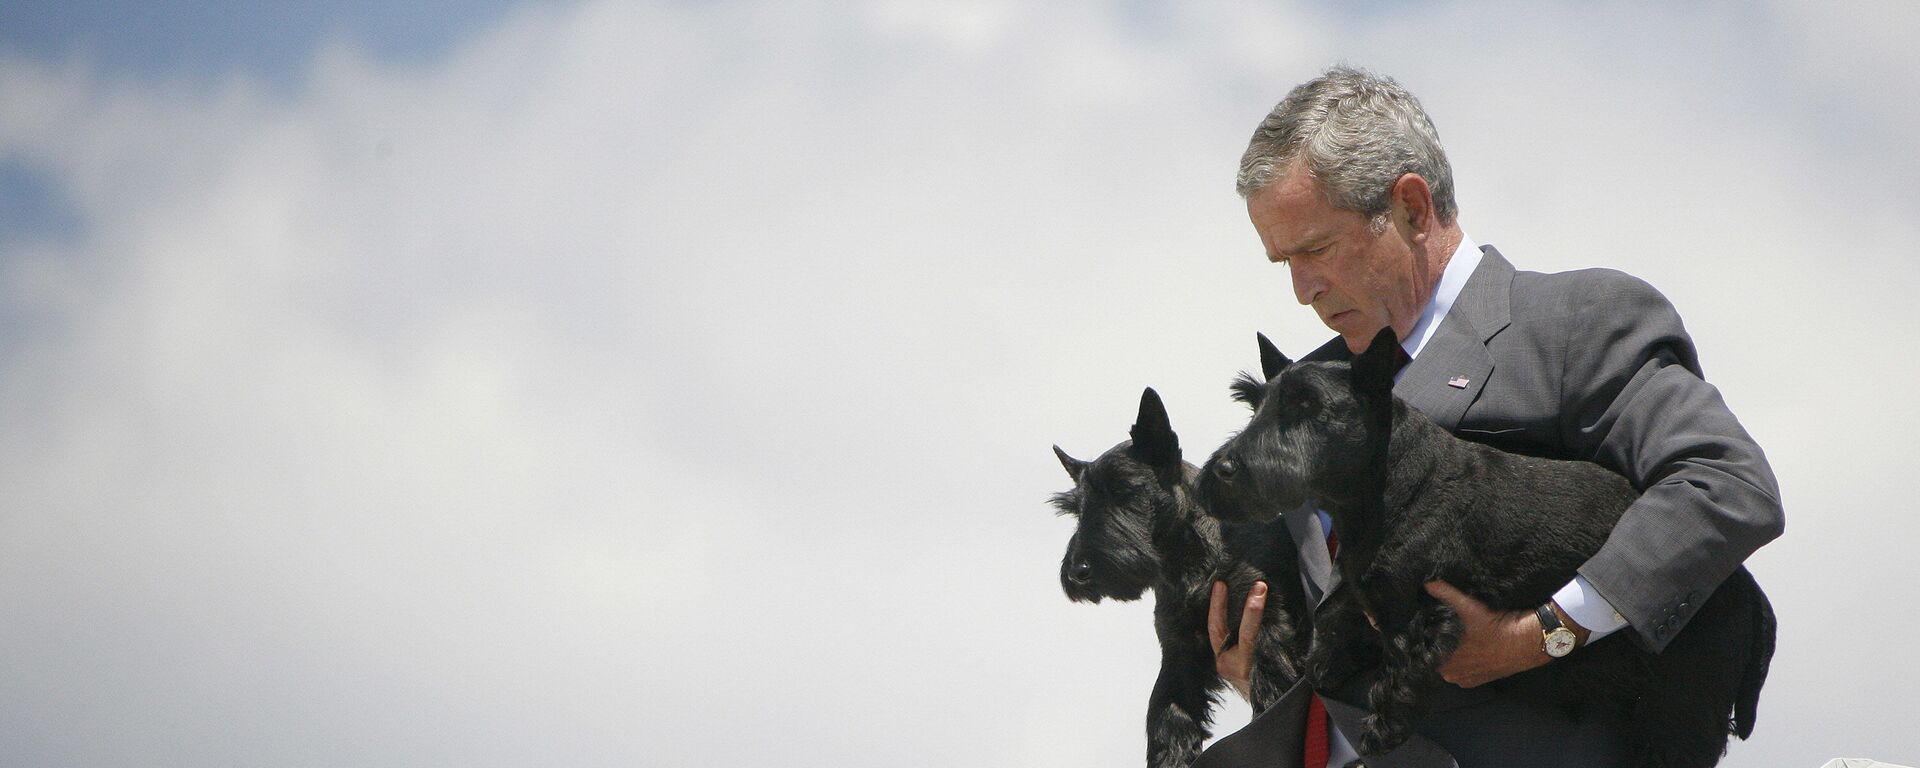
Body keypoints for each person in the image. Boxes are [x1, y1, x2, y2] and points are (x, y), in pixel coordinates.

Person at [1193, 66, 1784, 768]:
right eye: (1283, 261)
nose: (1301, 290)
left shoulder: (1573, 324)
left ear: (1412, 207)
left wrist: (1541, 633)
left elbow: (1724, 484)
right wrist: (1262, 671)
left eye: (1316, 249)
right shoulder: (1303, 394)